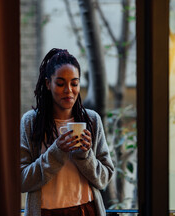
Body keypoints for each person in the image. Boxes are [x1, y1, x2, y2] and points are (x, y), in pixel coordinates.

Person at [20, 48, 114, 216]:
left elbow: (104, 178)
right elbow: (21, 181)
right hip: (45, 212)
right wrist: (56, 152)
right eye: (61, 83)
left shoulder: (91, 120)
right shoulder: (31, 122)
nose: (69, 90)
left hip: (87, 210)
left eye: (74, 83)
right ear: (48, 84)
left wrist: (85, 155)